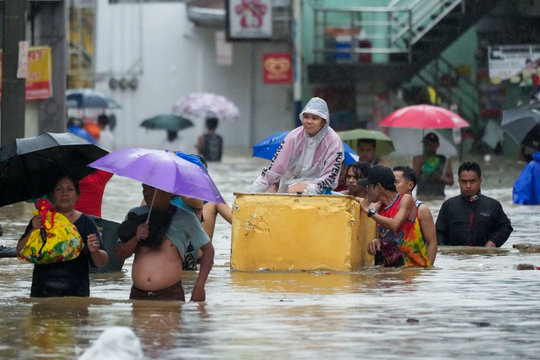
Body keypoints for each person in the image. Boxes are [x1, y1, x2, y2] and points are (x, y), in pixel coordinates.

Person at [116, 184, 214, 302]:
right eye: (144, 188)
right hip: (138, 295)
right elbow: (120, 254)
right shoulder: (135, 215)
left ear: (166, 191)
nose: (146, 193)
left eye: (152, 189)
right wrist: (136, 237)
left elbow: (209, 250)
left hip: (170, 295)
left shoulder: (186, 218)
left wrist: (199, 286)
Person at [16, 176, 109, 297]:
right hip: (42, 293)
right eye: (59, 189)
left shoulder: (87, 222)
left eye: (70, 189)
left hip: (76, 294)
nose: (65, 193)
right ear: (51, 196)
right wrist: (33, 229)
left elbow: (102, 262)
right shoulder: (41, 220)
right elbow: (19, 252)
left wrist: (95, 251)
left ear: (77, 196)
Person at [250, 97, 344, 194]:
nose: (309, 121)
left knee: (292, 190)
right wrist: (250, 194)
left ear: (324, 121)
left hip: (320, 186)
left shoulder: (334, 140)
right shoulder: (293, 136)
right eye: (306, 117)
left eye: (314, 118)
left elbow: (330, 177)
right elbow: (275, 168)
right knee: (269, 192)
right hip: (291, 183)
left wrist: (310, 190)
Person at [358, 166, 430, 267]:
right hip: (393, 272)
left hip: (414, 271)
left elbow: (395, 225)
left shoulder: (405, 199)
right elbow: (387, 237)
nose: (367, 191)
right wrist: (377, 242)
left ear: (378, 186)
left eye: (368, 186)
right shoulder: (380, 209)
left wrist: (367, 211)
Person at [436, 161, 513, 247]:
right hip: (456, 258)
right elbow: (438, 232)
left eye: (472, 181)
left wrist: (493, 242)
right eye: (464, 182)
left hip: (484, 258)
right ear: (459, 182)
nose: (468, 186)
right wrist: (445, 251)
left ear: (480, 181)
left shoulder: (492, 205)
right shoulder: (449, 205)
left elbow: (505, 227)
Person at [393, 165, 437, 265]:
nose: (391, 185)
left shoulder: (421, 209)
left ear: (410, 185)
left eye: (396, 182)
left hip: (415, 268)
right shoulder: (386, 208)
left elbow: (432, 243)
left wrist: (428, 270)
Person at [412, 132, 454, 199]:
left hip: (438, 197)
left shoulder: (444, 160)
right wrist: (419, 166)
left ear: (437, 145)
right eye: (426, 144)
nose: (427, 146)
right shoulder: (417, 159)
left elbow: (451, 181)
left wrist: (439, 179)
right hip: (421, 197)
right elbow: (412, 181)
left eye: (430, 144)